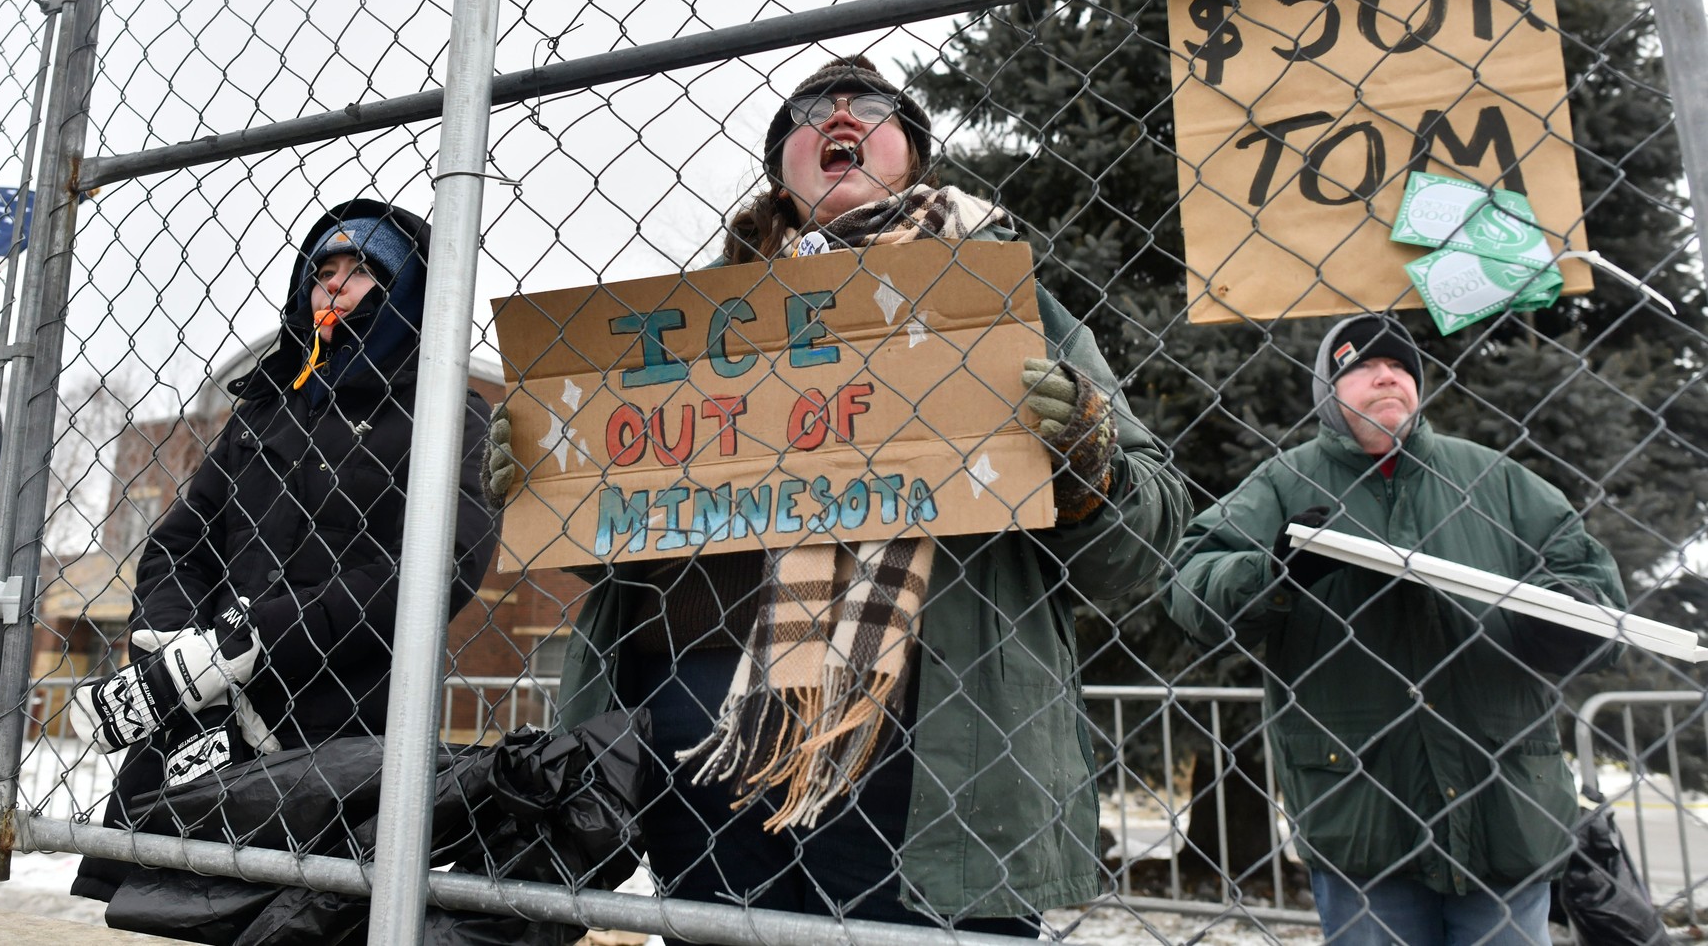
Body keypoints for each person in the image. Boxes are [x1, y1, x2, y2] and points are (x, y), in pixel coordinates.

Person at [487, 55, 1192, 935]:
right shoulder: (681, 330)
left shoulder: (1002, 300)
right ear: (781, 163)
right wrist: (548, 482)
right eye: (811, 109)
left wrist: (1090, 464)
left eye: (873, 107)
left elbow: (1143, 546)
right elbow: (618, 552)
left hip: (933, 754)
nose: (841, 116)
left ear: (915, 154)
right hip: (694, 753)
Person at [71, 199, 500, 902]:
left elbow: (436, 567)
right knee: (162, 904)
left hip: (337, 721)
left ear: (407, 291)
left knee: (295, 913)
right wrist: (173, 639)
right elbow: (182, 540)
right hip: (204, 710)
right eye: (322, 271)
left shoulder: (448, 409)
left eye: (361, 271)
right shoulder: (265, 408)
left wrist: (254, 641)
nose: (334, 285)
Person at [1163, 312, 1627, 946]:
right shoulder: (1282, 483)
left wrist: (1568, 615)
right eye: (1362, 366)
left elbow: (1589, 583)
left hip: (1505, 809)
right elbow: (1190, 583)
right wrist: (1276, 573)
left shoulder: (1498, 480)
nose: (1387, 376)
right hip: (1362, 817)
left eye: (1400, 367)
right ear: (1328, 392)